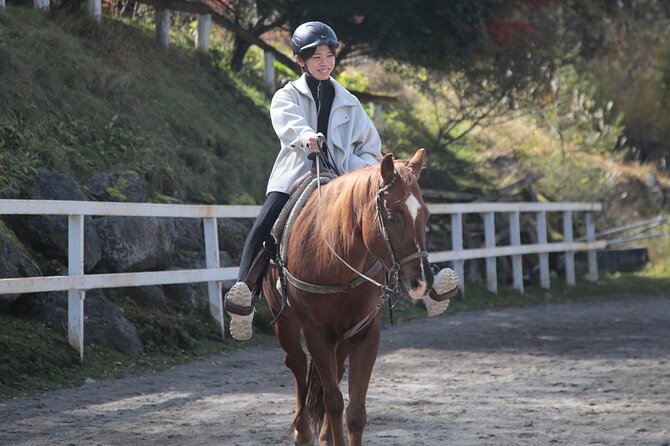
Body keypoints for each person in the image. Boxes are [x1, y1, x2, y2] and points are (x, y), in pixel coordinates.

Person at [224, 21, 383, 341]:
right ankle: (244, 295)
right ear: (300, 61)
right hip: (298, 171)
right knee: (265, 223)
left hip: (340, 178)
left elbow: (370, 146)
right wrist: (307, 138)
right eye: (316, 57)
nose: (325, 62)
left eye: (329, 55)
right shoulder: (287, 95)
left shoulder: (350, 102)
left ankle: (412, 281)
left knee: (384, 219)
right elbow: (288, 124)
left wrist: (364, 167)